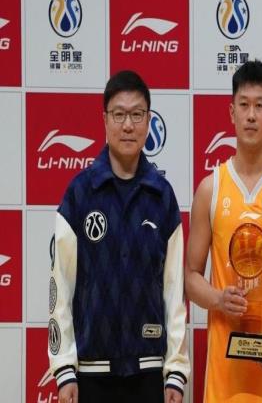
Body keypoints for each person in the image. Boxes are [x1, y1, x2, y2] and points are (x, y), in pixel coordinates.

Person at [48, 70, 190, 403]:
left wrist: (175, 371)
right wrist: (64, 368)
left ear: (149, 121)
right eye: (119, 114)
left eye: (137, 115)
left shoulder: (162, 197)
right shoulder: (80, 194)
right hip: (90, 375)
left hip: (149, 374)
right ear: (105, 120)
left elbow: (174, 291)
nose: (128, 125)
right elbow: (60, 285)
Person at [185, 60, 262, 402]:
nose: (251, 115)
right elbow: (190, 276)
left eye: (260, 105)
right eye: (244, 105)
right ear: (232, 112)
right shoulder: (210, 189)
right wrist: (218, 299)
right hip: (225, 367)